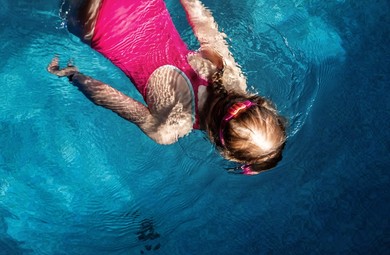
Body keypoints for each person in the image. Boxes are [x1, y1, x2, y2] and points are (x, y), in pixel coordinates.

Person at [48, 0, 286, 175]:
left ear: (257, 102)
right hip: (100, 25)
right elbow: (107, 96)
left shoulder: (231, 77)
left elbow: (200, 18)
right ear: (224, 150)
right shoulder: (168, 129)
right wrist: (73, 76)